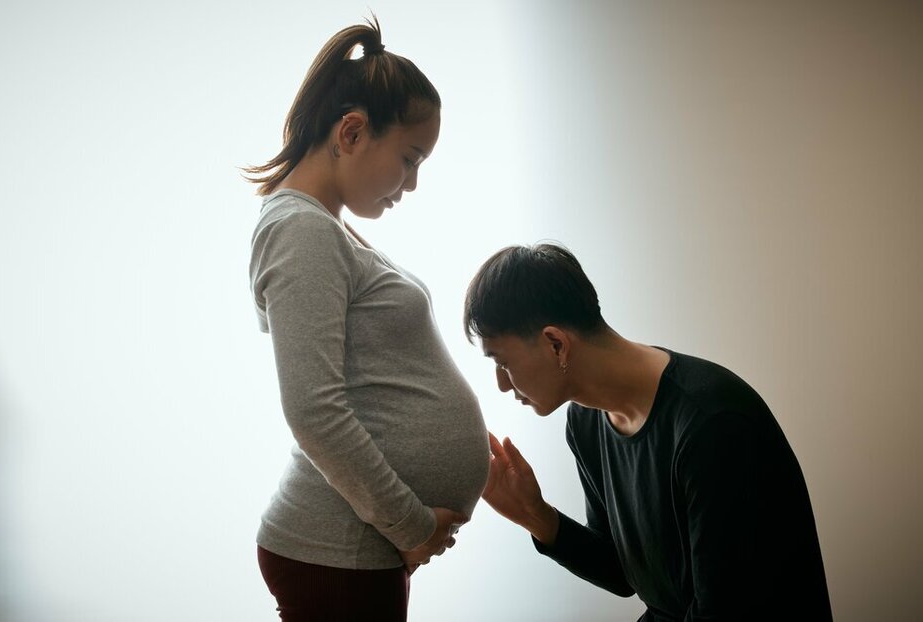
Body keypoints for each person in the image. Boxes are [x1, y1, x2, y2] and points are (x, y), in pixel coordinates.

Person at [243, 17, 489, 621]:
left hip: (351, 554)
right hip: (336, 554)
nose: (412, 183)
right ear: (352, 131)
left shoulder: (322, 228)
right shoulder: (301, 231)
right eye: (409, 158)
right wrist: (411, 526)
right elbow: (314, 410)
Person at [463, 243, 832, 621]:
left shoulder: (713, 425)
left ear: (556, 343)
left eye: (503, 363)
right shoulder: (587, 421)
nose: (502, 385)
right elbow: (625, 574)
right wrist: (535, 516)